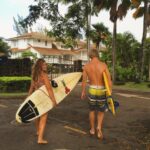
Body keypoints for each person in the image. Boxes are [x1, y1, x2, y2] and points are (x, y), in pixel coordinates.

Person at [81, 49, 112, 140]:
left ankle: (92, 129)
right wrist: (109, 91)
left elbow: (83, 81)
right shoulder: (103, 65)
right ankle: (99, 127)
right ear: (97, 55)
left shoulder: (87, 66)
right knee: (101, 111)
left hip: (92, 89)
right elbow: (109, 80)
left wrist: (83, 91)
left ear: (90, 56)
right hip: (102, 90)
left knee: (92, 110)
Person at [28, 58, 57, 144]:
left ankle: (38, 131)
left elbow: (31, 88)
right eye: (44, 64)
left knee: (37, 116)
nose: (46, 66)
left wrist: (28, 98)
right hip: (43, 98)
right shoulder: (44, 75)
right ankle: (40, 139)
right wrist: (53, 100)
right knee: (43, 118)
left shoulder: (34, 75)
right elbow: (49, 89)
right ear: (40, 66)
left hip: (36, 98)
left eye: (45, 64)